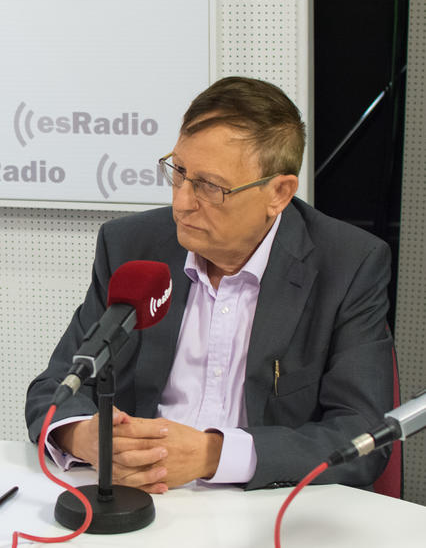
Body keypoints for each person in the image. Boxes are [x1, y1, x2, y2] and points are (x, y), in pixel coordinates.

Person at [25, 76, 394, 492]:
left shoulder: (347, 264)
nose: (181, 202)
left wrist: (213, 455)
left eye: (209, 186)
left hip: (264, 510)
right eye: (179, 172)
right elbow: (55, 386)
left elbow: (364, 436)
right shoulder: (131, 246)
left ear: (279, 192)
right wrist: (85, 437)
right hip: (142, 503)